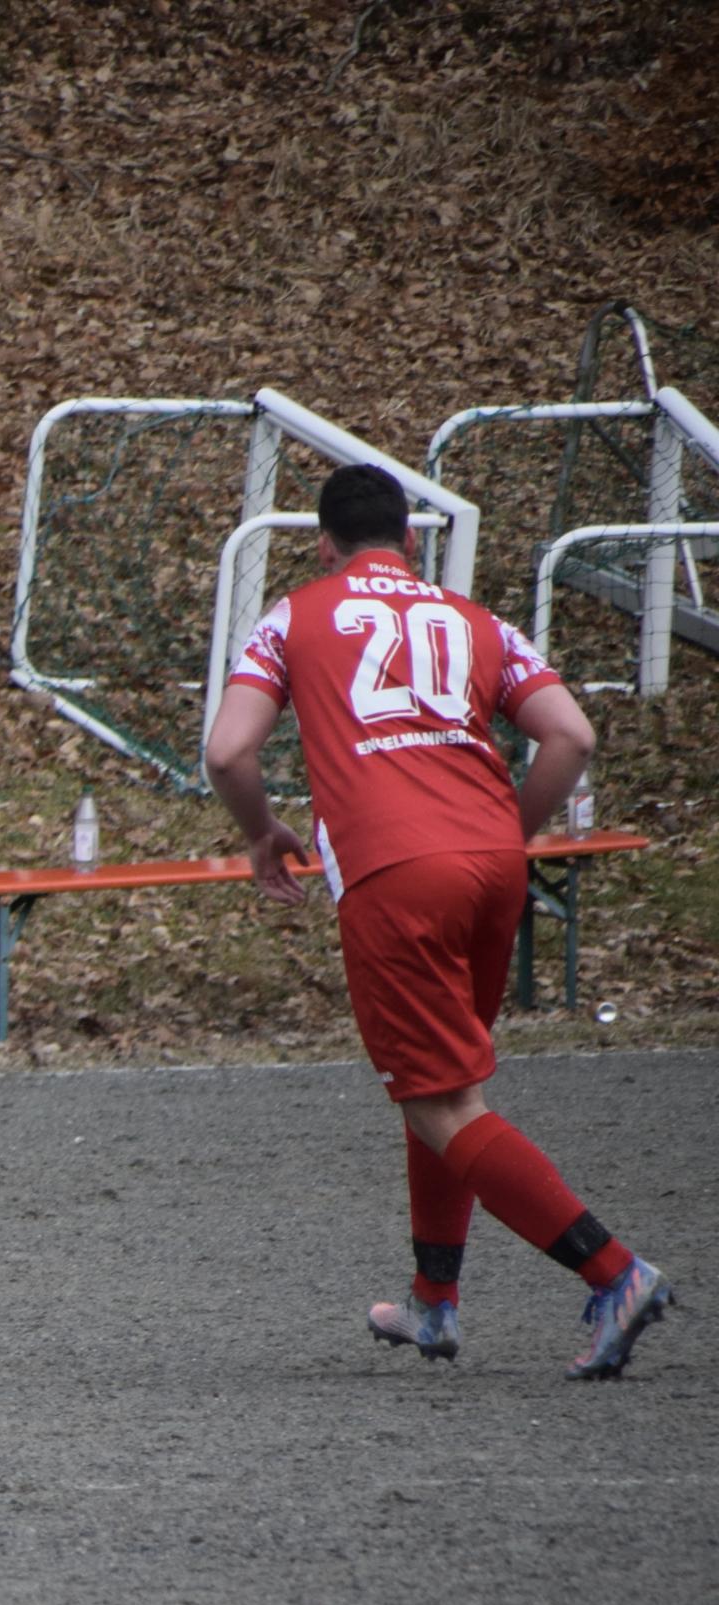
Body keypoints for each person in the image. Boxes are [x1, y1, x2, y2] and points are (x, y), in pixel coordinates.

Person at [204, 462, 671, 1381]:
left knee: (439, 1100)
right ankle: (433, 1303)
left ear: (322, 544)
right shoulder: (477, 620)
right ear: (411, 543)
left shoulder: (294, 614)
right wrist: (505, 835)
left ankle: (618, 1274)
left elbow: (227, 749)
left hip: (393, 869)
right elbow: (570, 735)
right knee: (445, 1090)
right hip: (492, 867)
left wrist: (262, 832)